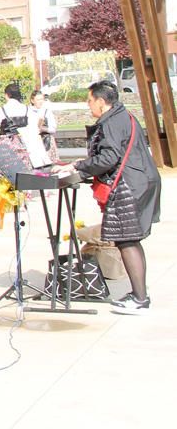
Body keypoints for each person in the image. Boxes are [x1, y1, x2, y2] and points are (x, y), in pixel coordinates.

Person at [54, 81, 160, 315]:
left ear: (101, 102)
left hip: (129, 187)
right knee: (131, 239)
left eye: (90, 100)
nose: (88, 105)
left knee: (127, 241)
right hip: (140, 181)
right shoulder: (124, 115)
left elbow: (108, 158)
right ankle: (139, 294)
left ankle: (140, 300)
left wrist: (78, 167)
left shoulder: (112, 121)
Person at [0, 83, 49, 171]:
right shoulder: (26, 109)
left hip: (6, 144)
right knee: (24, 170)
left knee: (4, 171)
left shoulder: (2, 110)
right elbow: (34, 128)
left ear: (7, 95)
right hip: (24, 142)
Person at [30, 90, 59, 163]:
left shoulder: (46, 111)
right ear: (32, 100)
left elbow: (53, 129)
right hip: (32, 142)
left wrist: (42, 128)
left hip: (46, 141)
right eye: (38, 99)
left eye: (42, 99)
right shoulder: (28, 111)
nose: (40, 101)